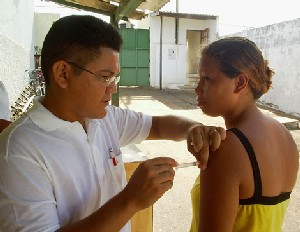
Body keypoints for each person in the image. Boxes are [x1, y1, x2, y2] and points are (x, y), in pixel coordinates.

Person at [0, 15, 226, 232]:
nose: (113, 88)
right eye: (104, 76)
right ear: (63, 74)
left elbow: (157, 126)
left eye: (115, 77)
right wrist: (130, 200)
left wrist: (193, 129)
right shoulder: (19, 150)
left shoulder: (104, 118)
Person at [189, 36, 299, 232]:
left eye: (207, 79)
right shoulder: (284, 136)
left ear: (240, 82)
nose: (197, 89)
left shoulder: (225, 150)